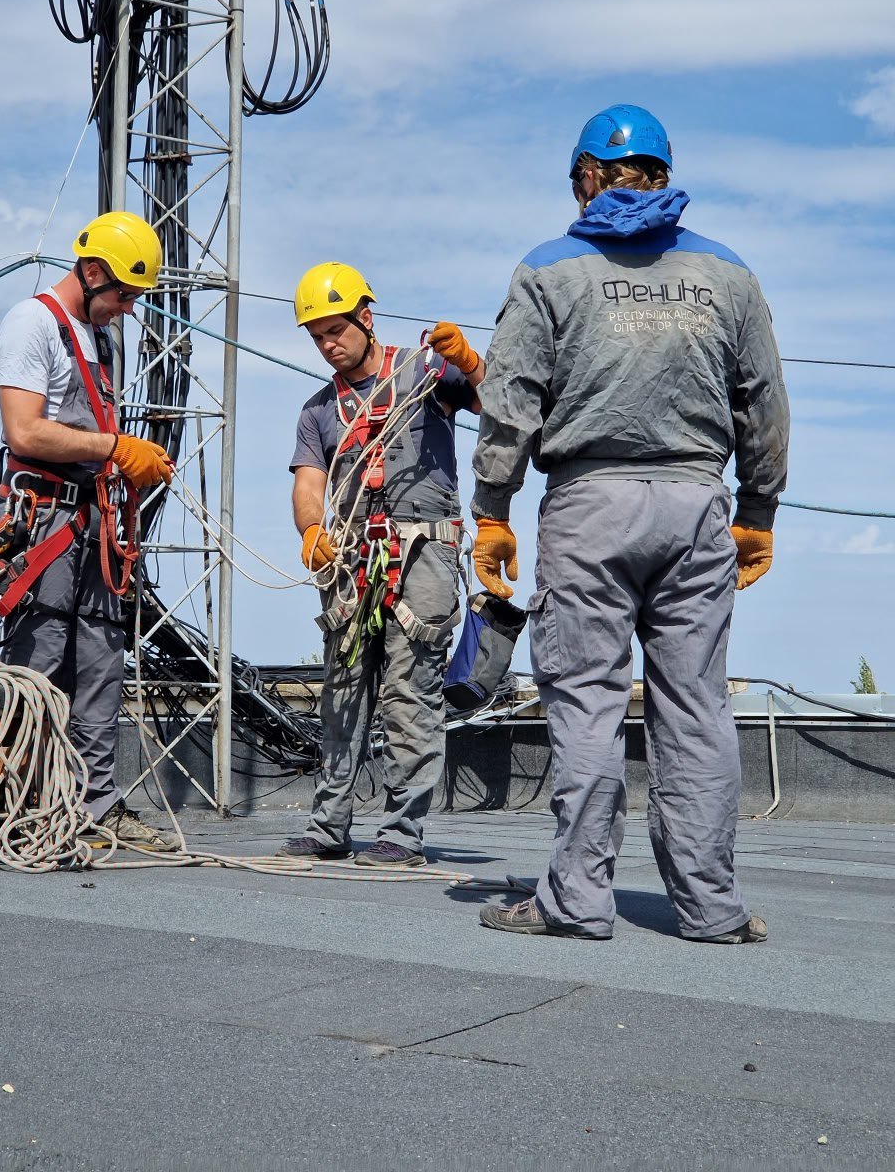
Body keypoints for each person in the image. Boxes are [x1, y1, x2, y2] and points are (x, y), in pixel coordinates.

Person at [471, 104, 790, 942]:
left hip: (590, 507)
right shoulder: (729, 275)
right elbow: (763, 405)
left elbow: (509, 406)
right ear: (664, 171)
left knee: (587, 705)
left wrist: (492, 514)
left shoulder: (548, 271)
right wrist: (757, 510)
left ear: (585, 176)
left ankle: (576, 902)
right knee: (696, 707)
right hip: (696, 507)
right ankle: (712, 908)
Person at [277, 262, 486, 866]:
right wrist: (313, 529)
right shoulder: (319, 412)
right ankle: (328, 826)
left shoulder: (423, 375)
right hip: (351, 557)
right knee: (341, 690)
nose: (327, 345)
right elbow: (308, 483)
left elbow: (498, 404)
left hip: (421, 553)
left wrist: (469, 363)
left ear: (365, 318)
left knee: (409, 690)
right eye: (316, 336)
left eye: (335, 330)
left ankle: (401, 832)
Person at [0, 211, 178, 851]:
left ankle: (97, 807)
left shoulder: (97, 337)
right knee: (40, 662)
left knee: (100, 660)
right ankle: (28, 808)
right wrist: (116, 446)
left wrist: (124, 462)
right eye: (123, 295)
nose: (126, 309)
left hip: (92, 519)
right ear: (93, 272)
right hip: (42, 515)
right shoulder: (32, 323)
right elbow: (25, 430)